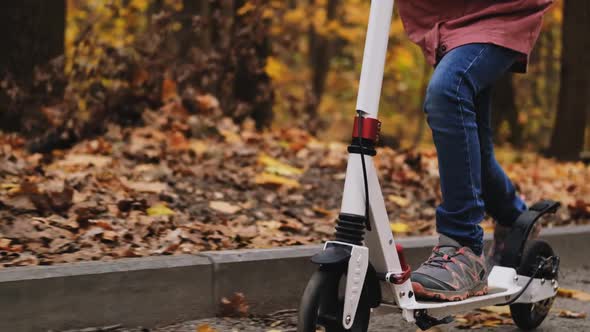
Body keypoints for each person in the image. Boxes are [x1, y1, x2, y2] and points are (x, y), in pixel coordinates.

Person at [396, 0, 553, 301]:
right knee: (472, 148)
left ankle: (463, 246)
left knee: (448, 91)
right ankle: (512, 217)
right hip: (449, 15)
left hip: (499, 10)